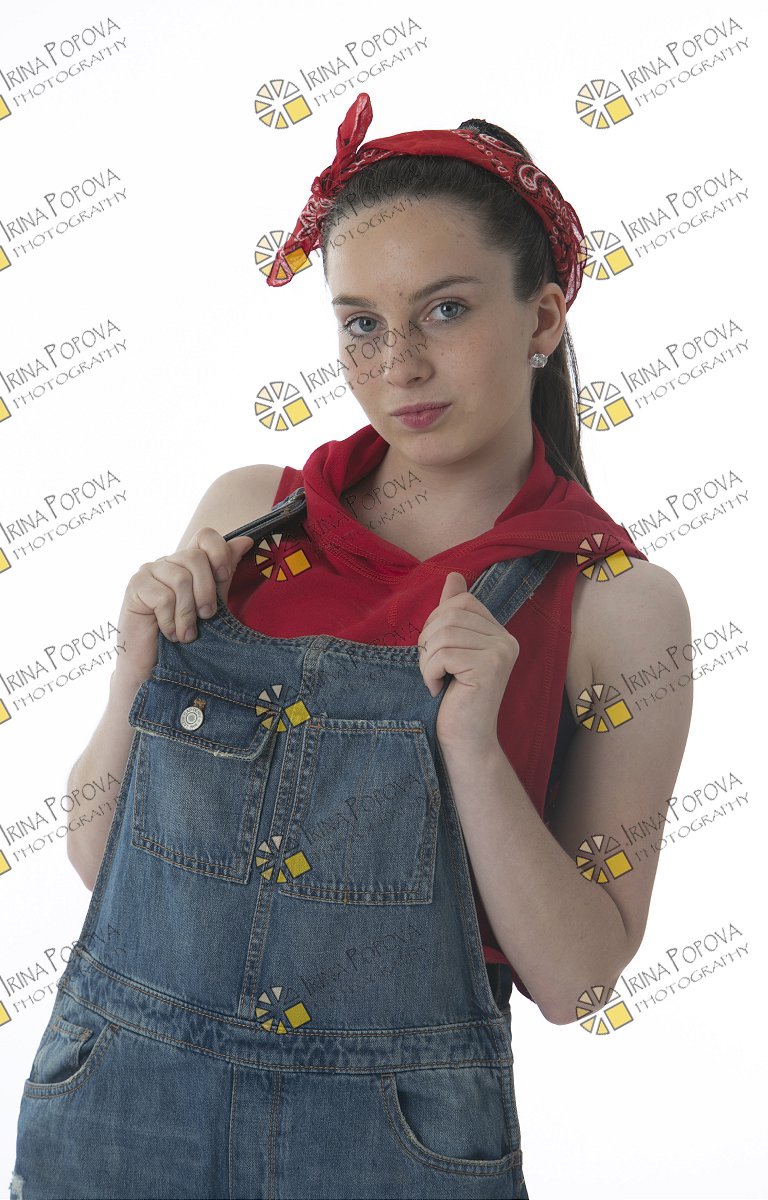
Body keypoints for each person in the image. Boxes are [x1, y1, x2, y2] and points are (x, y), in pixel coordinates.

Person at [11, 93, 692, 1200]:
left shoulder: (614, 605)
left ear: (542, 319)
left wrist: (471, 747)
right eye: (361, 323)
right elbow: (101, 865)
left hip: (390, 1149)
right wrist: (136, 660)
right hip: (118, 1114)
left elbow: (577, 981)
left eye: (445, 310)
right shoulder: (246, 519)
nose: (399, 364)